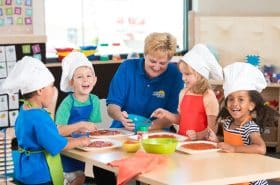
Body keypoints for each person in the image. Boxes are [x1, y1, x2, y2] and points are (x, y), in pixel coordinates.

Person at [0, 56, 92, 185]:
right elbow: (57, 145)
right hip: (40, 173)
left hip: (26, 169)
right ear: (40, 90)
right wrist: (81, 140)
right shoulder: (39, 117)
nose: (54, 91)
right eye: (51, 86)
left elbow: (45, 138)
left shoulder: (25, 109)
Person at [212, 62, 279, 185]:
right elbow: (228, 145)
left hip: (250, 179)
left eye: (241, 99)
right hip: (235, 174)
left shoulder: (249, 127)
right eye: (231, 99)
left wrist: (234, 148)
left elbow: (261, 148)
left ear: (251, 105)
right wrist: (216, 141)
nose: (235, 103)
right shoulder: (227, 123)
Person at [106, 32, 184, 131]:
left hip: (157, 133)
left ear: (169, 60)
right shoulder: (126, 68)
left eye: (162, 63)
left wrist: (147, 127)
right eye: (152, 61)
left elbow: (173, 116)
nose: (156, 67)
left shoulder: (175, 74)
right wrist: (120, 117)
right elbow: (112, 106)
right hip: (123, 130)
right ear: (145, 54)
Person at [151, 44, 223, 140]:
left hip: (201, 145)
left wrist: (198, 135)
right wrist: (166, 114)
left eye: (187, 74)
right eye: (182, 74)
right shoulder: (183, 93)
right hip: (182, 141)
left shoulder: (208, 96)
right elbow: (181, 119)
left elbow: (213, 128)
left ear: (201, 74)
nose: (183, 78)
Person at [55, 51, 101, 185]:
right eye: (79, 77)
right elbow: (58, 132)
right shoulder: (67, 103)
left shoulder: (95, 101)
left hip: (83, 148)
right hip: (67, 151)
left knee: (80, 177)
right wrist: (81, 125)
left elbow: (92, 128)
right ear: (71, 82)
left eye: (88, 75)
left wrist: (89, 130)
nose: (85, 79)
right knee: (76, 177)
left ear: (95, 79)